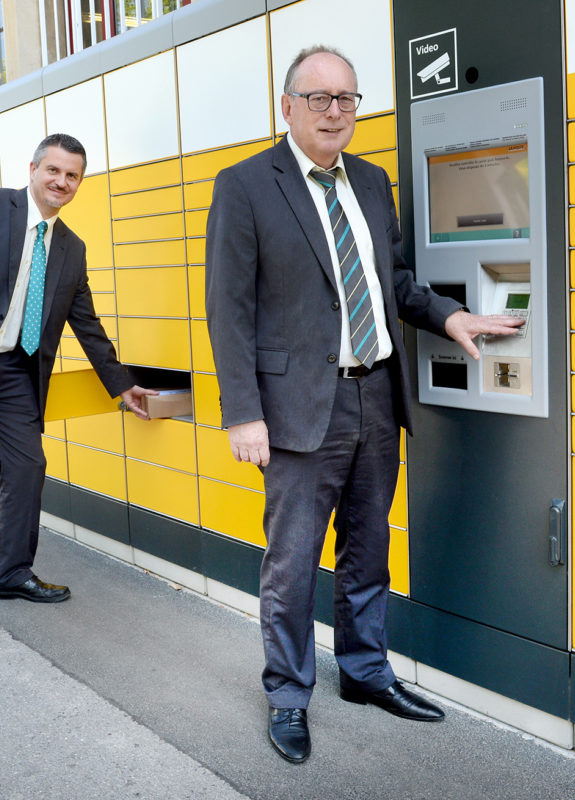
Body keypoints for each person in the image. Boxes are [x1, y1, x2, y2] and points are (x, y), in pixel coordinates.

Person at [204, 45, 524, 764]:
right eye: (319, 98)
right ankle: (288, 694)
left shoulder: (373, 183)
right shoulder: (247, 186)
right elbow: (228, 310)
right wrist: (242, 412)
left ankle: (364, 671)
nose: (335, 111)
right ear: (286, 106)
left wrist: (449, 317)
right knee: (290, 564)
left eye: (346, 98)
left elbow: (396, 283)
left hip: (376, 396)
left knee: (368, 548)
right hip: (293, 411)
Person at [0, 133, 155, 634]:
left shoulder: (71, 249)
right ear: (34, 168)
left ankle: (13, 572)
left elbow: (87, 322)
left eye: (72, 176)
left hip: (15, 371)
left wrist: (120, 384)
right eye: (54, 171)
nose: (62, 182)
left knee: (27, 468)